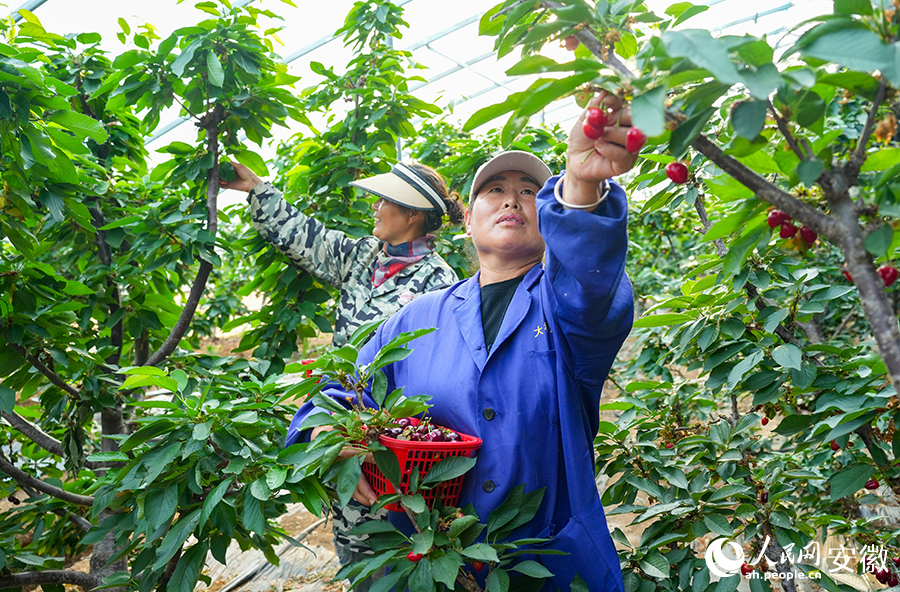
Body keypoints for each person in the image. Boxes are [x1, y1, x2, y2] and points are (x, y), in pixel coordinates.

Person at [289, 91, 639, 591]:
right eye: (493, 190)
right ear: (468, 221)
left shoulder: (566, 307)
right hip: (428, 561)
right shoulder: (417, 317)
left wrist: (581, 184)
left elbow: (590, 280)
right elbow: (340, 393)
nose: (512, 199)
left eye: (529, 191)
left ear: (550, 220)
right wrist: (329, 439)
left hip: (545, 560)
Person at [220, 161, 465, 590]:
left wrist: (384, 454)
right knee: (355, 551)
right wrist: (256, 189)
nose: (374, 206)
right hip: (343, 430)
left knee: (397, 554)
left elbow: (434, 379)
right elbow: (303, 235)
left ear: (411, 214)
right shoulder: (361, 257)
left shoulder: (439, 281)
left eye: (385, 199)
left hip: (392, 447)